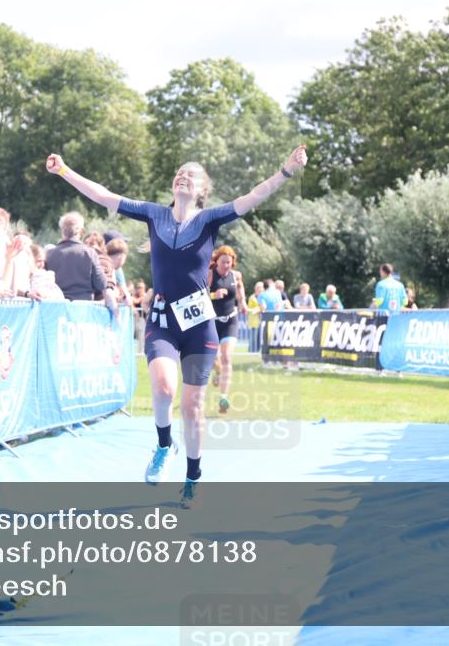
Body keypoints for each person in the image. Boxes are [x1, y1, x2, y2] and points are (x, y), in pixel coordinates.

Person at [46, 144, 307, 508]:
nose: (182, 175)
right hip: (164, 321)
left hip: (200, 327)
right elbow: (103, 195)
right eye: (178, 172)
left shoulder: (210, 219)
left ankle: (193, 477)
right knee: (165, 388)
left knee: (192, 409)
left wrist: (286, 170)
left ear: (201, 189)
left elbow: (252, 197)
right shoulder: (154, 215)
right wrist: (64, 171)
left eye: (191, 174)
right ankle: (164, 444)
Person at [45, 212, 117, 309]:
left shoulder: (49, 254)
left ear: (62, 230)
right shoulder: (90, 253)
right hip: (83, 309)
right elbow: (101, 284)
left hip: (56, 308)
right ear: (81, 231)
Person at [207, 246, 248, 414]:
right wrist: (213, 295)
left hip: (230, 320)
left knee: (226, 357)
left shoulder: (235, 275)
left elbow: (240, 289)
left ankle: (224, 397)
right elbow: (199, 294)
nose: (226, 266)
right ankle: (216, 371)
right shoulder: (209, 275)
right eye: (223, 262)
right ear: (216, 262)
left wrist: (243, 303)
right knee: (212, 358)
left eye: (229, 263)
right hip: (212, 322)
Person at [246, 281, 264, 352]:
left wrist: (259, 309)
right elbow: (251, 309)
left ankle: (256, 351)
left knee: (259, 338)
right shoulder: (252, 298)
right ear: (256, 289)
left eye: (261, 288)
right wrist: (259, 308)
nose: (260, 289)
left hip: (261, 321)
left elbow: (263, 307)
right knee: (253, 338)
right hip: (254, 321)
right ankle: (251, 351)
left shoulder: (263, 297)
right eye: (258, 288)